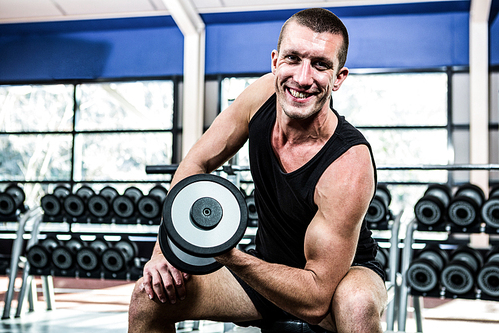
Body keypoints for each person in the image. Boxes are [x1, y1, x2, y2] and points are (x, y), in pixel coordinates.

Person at [128, 8, 387, 333]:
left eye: (320, 65)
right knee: (148, 297)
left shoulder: (349, 163)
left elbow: (315, 299)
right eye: (293, 59)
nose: (303, 78)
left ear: (338, 78)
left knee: (357, 303)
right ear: (275, 61)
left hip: (336, 280)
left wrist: (228, 255)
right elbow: (196, 162)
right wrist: (165, 251)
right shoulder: (260, 96)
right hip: (265, 267)